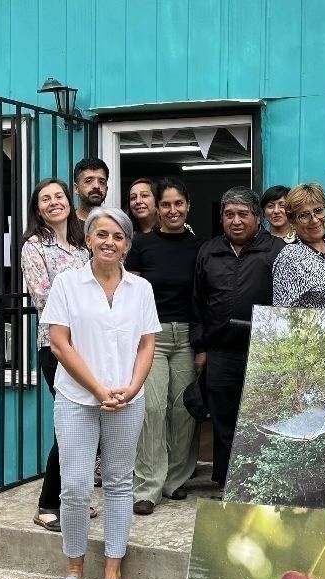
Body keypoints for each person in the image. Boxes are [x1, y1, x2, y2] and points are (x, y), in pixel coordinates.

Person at [39, 207, 159, 579]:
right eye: (102, 235)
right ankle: (73, 567)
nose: (110, 242)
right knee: (74, 486)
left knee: (120, 482)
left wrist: (132, 386)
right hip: (77, 398)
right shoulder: (67, 284)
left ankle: (113, 570)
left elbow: (147, 344)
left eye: (118, 236)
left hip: (128, 398)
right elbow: (59, 343)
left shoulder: (140, 288)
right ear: (88, 239)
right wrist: (98, 389)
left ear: (127, 244)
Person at [192, 187, 286, 489]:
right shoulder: (209, 250)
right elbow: (198, 302)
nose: (236, 220)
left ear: (257, 218)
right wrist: (201, 347)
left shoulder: (276, 251)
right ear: (221, 218)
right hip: (220, 351)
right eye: (229, 214)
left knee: (260, 419)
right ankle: (224, 481)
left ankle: (259, 483)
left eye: (243, 214)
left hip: (263, 352)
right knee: (222, 419)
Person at [124, 178, 204, 514]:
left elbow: (203, 296)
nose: (173, 210)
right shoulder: (142, 245)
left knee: (183, 410)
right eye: (166, 204)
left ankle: (175, 480)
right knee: (152, 409)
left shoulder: (201, 246)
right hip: (150, 337)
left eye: (178, 204)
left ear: (188, 205)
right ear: (158, 207)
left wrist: (202, 344)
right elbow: (129, 293)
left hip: (186, 335)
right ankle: (147, 487)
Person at [20, 179, 92, 533]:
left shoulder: (82, 246)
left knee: (88, 422)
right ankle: (47, 504)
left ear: (69, 201)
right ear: (37, 208)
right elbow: (44, 299)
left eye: (58, 197)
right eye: (45, 199)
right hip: (57, 347)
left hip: (90, 347)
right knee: (70, 424)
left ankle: (74, 500)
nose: (53, 203)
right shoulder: (34, 247)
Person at [272, 183, 325, 310]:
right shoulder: (290, 258)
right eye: (304, 215)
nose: (315, 220)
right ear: (292, 221)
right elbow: (282, 315)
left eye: (318, 211)